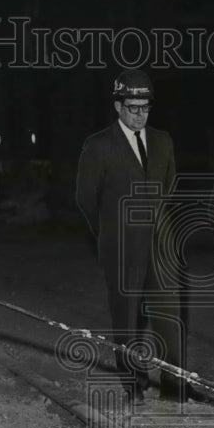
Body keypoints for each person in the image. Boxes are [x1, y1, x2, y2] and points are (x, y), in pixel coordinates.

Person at [75, 69, 185, 403]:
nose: (139, 115)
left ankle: (174, 384)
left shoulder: (163, 141)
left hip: (160, 243)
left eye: (145, 108)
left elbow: (169, 188)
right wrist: (110, 234)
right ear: (118, 106)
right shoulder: (98, 146)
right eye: (133, 108)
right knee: (126, 317)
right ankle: (132, 383)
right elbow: (85, 198)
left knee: (169, 315)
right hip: (121, 246)